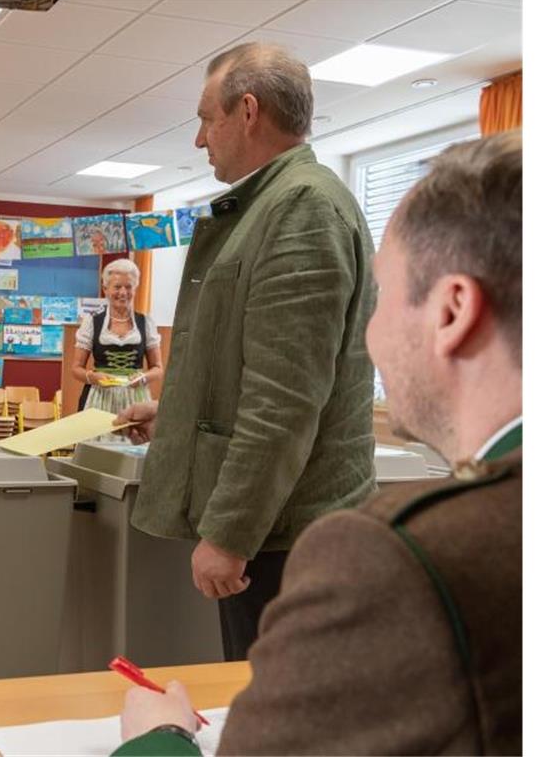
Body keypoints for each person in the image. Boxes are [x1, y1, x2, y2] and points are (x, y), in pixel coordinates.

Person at [116, 130, 522, 756]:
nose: (365, 337)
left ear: (452, 312)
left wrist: (158, 739)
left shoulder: (396, 557)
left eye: (379, 299)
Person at [117, 42, 376, 661]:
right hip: (278, 525)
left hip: (285, 536)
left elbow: (284, 399)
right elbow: (247, 364)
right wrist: (174, 417)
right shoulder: (273, 206)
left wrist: (229, 535)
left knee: (280, 716)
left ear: (248, 111)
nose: (200, 139)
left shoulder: (303, 209)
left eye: (208, 119)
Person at [70, 258, 163, 441]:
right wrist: (93, 377)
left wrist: (143, 377)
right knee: (96, 452)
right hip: (99, 397)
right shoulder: (92, 323)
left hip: (135, 399)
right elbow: (76, 368)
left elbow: (158, 368)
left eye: (128, 287)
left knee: (133, 451)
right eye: (117, 287)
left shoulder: (146, 323)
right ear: (106, 289)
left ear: (135, 289)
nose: (123, 292)